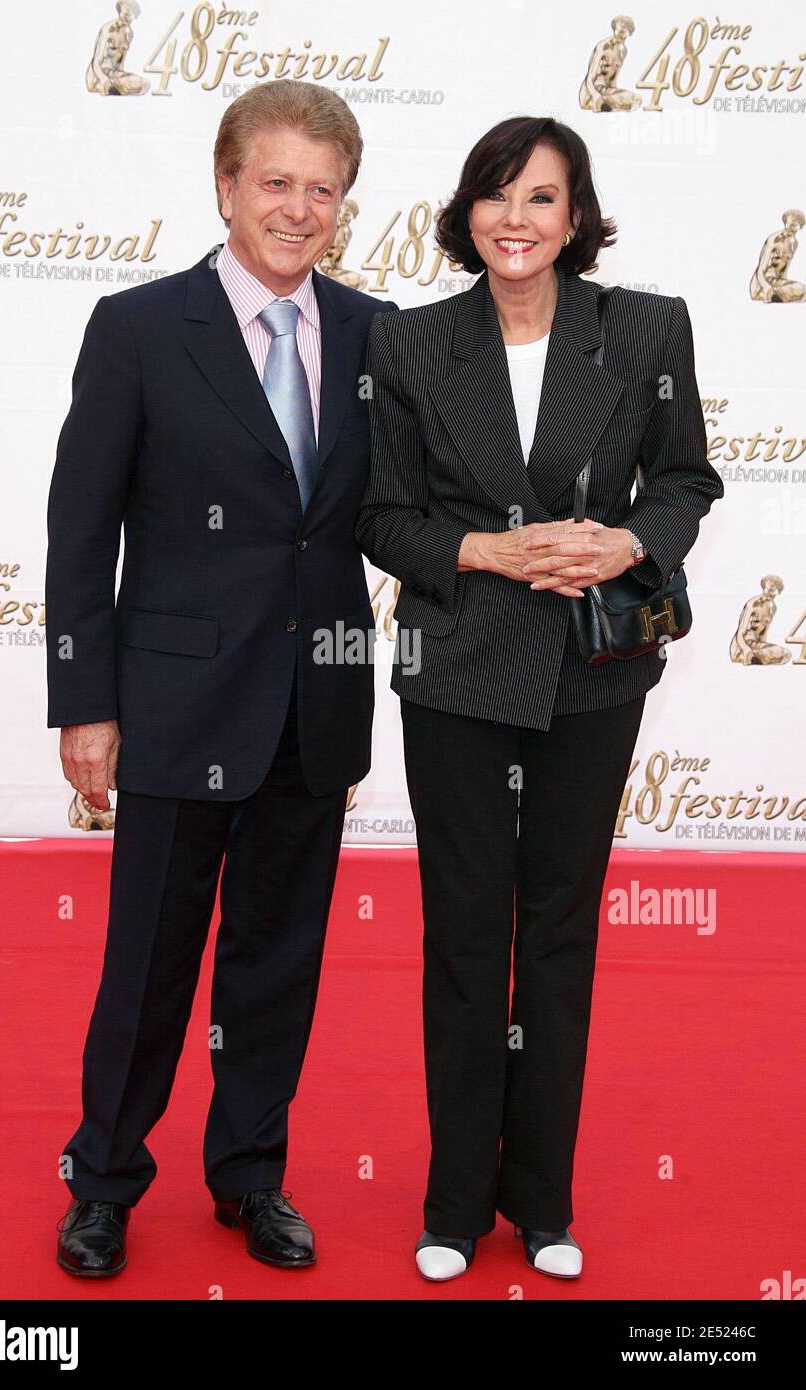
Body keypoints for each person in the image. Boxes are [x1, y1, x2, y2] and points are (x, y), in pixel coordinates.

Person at [355, 115, 723, 1282]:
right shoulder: (409, 346)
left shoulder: (647, 328)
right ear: (470, 214)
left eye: (543, 198)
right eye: (497, 196)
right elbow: (382, 518)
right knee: (465, 934)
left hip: (591, 668)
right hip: (459, 668)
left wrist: (626, 543)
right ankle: (454, 1203)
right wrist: (488, 553)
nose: (517, 219)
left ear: (576, 218)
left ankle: (544, 1201)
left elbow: (684, 477)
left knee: (558, 930)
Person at [47, 79, 395, 1276]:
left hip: (315, 703)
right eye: (277, 182)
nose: (299, 210)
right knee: (145, 961)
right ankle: (103, 1180)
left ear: (345, 206)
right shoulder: (140, 327)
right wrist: (84, 701)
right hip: (173, 703)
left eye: (324, 190)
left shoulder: (373, 335)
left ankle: (250, 1172)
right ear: (226, 184)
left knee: (276, 956)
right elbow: (81, 529)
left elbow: (388, 517)